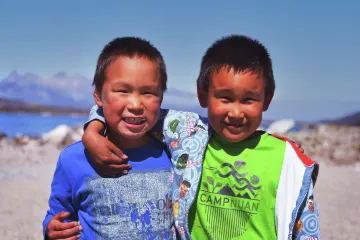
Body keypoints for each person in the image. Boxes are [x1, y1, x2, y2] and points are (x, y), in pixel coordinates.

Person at [83, 35, 320, 240]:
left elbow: (306, 228)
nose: (236, 112)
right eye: (225, 98)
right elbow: (133, 111)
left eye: (248, 100)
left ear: (267, 99)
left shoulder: (288, 161)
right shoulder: (186, 133)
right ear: (202, 95)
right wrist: (93, 130)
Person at [43, 37, 175, 239]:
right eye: (123, 91)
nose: (136, 104)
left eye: (148, 92)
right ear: (98, 96)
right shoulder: (73, 159)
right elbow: (59, 215)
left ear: (161, 98)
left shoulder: (175, 154)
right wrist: (50, 230)